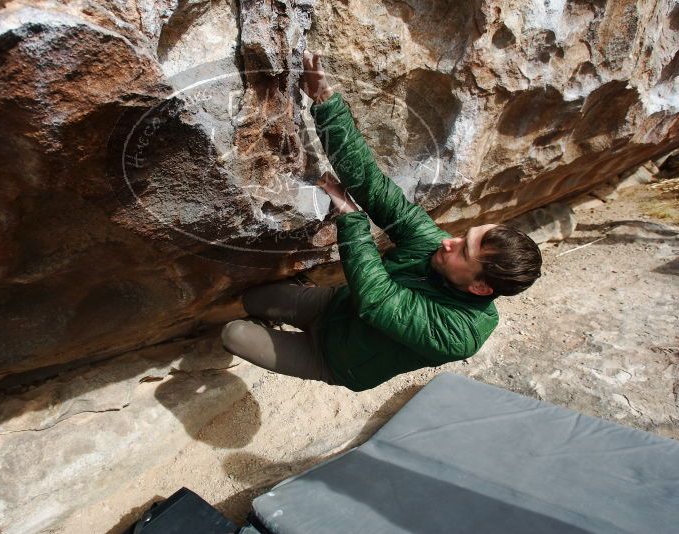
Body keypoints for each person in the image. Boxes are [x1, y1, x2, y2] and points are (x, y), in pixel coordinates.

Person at [221, 50, 542, 391]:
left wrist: (351, 218)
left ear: (480, 287)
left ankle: (281, 326)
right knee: (252, 299)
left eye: (464, 252)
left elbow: (377, 300)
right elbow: (372, 186)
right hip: (335, 307)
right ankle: (290, 305)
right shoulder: (435, 246)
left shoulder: (459, 334)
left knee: (234, 333)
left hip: (334, 359)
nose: (450, 241)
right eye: (465, 236)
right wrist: (326, 104)